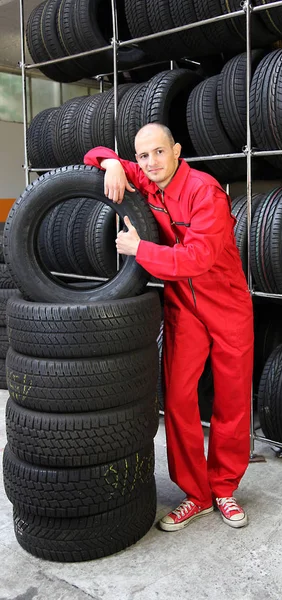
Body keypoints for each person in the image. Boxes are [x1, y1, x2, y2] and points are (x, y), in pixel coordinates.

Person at [84, 123, 254, 531]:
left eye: (158, 152)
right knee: (178, 400)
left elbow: (197, 258)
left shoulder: (204, 192)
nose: (150, 163)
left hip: (227, 304)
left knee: (231, 402)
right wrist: (110, 163)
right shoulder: (146, 177)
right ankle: (196, 495)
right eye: (143, 156)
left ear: (176, 151)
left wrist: (139, 249)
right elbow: (93, 152)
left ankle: (224, 488)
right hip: (184, 307)